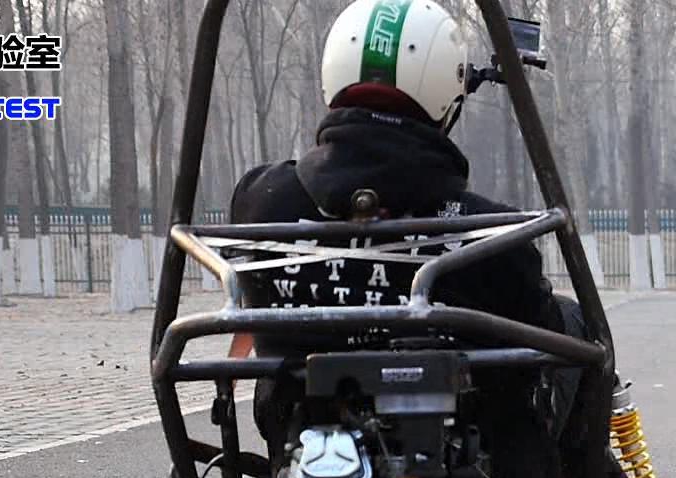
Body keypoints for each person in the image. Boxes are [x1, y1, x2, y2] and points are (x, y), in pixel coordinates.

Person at [228, 0, 591, 451]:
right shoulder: (494, 238)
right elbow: (538, 334)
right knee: (576, 326)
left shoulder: (260, 201)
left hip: (296, 454)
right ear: (446, 95)